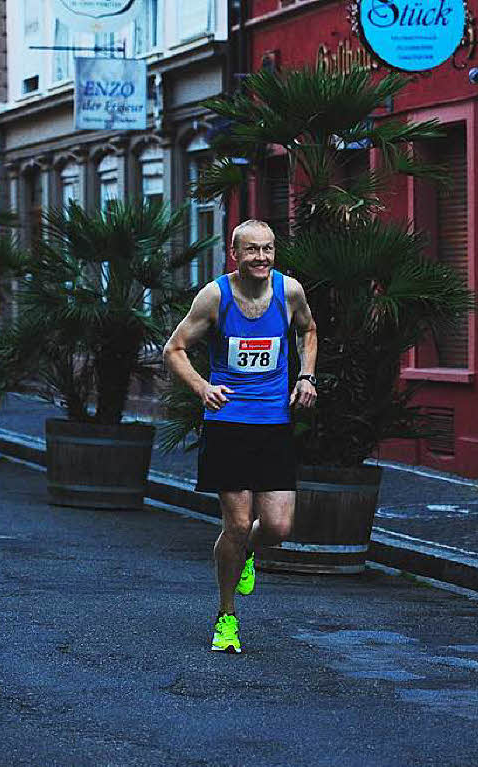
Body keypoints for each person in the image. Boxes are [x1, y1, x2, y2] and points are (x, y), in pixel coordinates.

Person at [163, 219, 318, 653]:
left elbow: (308, 330)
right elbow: (173, 349)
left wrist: (306, 376)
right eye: (252, 251)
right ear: (235, 254)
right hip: (228, 424)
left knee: (279, 526)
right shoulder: (216, 296)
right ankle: (226, 615)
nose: (262, 258)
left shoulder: (290, 292)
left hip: (274, 423)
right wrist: (202, 388)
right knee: (235, 522)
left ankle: (247, 551)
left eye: (268, 250)